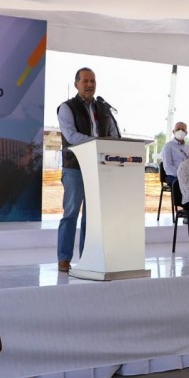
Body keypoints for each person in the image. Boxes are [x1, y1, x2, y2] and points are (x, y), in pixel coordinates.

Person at [56, 68, 121, 273]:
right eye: (85, 81)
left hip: (98, 167)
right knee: (71, 214)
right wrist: (98, 143)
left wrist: (111, 145)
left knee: (91, 218)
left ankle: (87, 258)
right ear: (76, 84)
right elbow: (71, 136)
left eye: (92, 81)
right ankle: (64, 258)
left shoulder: (103, 108)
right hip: (75, 167)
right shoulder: (67, 107)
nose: (89, 84)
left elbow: (115, 136)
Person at [161, 122, 189, 186]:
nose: (180, 131)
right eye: (178, 129)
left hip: (188, 175)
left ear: (186, 133)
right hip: (173, 176)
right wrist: (181, 174)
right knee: (183, 184)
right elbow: (168, 166)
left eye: (183, 130)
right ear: (173, 132)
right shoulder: (168, 146)